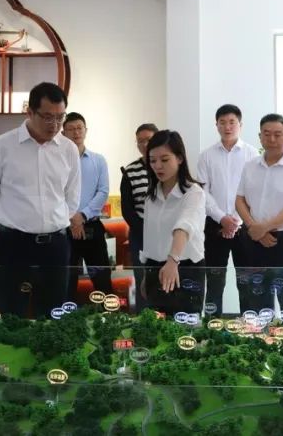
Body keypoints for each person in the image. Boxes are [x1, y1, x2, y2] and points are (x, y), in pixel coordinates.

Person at [0, 82, 81, 317]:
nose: (55, 125)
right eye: (47, 117)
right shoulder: (1, 147)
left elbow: (72, 198)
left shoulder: (68, 150)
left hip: (56, 246)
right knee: (11, 314)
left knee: (53, 316)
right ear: (30, 112)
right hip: (14, 245)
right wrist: (11, 225)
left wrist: (52, 221)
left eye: (60, 117)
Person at [235, 114, 283, 311]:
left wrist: (265, 227)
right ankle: (260, 331)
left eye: (278, 134)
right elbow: (239, 200)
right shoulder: (250, 166)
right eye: (267, 134)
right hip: (253, 238)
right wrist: (254, 227)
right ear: (260, 137)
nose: (272, 139)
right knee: (257, 299)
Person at [197, 104, 259, 315]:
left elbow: (254, 191)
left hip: (245, 226)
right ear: (216, 126)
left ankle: (249, 326)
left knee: (246, 281)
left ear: (240, 125)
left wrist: (236, 221)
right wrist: (222, 218)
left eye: (232, 122)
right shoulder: (206, 156)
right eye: (222, 122)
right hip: (215, 226)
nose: (227, 127)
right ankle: (211, 326)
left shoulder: (252, 154)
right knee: (215, 282)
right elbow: (203, 192)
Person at [142, 130, 206, 314]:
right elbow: (150, 238)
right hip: (156, 268)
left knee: (185, 326)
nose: (158, 166)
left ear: (179, 158)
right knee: (156, 326)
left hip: (185, 268)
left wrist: (172, 261)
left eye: (164, 159)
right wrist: (147, 274)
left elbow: (184, 226)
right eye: (152, 161)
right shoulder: (151, 197)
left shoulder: (193, 193)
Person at [62, 113, 113, 300]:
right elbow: (54, 193)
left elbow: (103, 191)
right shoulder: (57, 161)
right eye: (71, 129)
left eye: (79, 128)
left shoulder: (98, 160)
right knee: (66, 283)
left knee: (102, 281)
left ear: (86, 130)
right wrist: (71, 219)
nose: (76, 132)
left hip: (92, 227)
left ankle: (108, 315)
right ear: (63, 133)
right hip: (65, 230)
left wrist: (81, 216)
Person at [120, 123, 158, 311]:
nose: (144, 145)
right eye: (140, 141)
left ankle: (165, 317)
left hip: (166, 233)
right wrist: (143, 229)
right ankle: (144, 317)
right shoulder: (130, 171)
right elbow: (127, 208)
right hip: (139, 234)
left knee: (164, 278)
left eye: (148, 140)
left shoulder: (168, 167)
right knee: (142, 278)